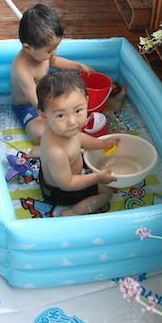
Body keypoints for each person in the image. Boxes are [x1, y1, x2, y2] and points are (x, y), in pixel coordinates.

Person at [10, 3, 126, 148]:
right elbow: (36, 101)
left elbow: (55, 61)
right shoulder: (21, 69)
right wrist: (54, 117)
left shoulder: (43, 54)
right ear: (27, 48)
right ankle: (48, 147)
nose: (54, 53)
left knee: (75, 98)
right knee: (40, 133)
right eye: (49, 51)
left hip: (47, 96)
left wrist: (78, 66)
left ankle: (110, 102)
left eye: (56, 48)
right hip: (29, 107)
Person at [36, 70, 119, 216]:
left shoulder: (62, 130)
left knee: (88, 155)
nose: (72, 122)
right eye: (60, 115)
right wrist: (98, 177)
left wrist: (103, 144)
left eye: (78, 111)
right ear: (44, 116)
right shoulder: (56, 151)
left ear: (87, 101)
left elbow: (79, 138)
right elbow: (67, 184)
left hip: (61, 173)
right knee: (107, 192)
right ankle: (73, 212)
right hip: (60, 190)